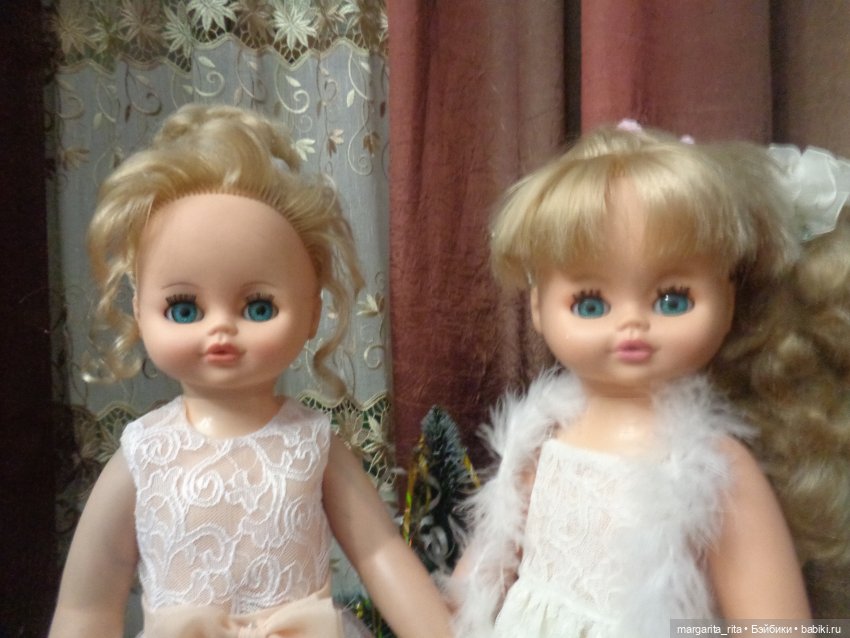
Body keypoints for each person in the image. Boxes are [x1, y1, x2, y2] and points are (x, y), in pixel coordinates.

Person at [49, 104, 453, 638]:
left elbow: (380, 554)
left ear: (312, 314)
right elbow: (86, 607)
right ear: (139, 311)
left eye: (258, 307)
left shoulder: (311, 444)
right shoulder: (144, 455)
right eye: (184, 309)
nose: (221, 329)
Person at [450, 121, 850, 636]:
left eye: (672, 299)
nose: (632, 324)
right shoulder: (540, 439)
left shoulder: (712, 470)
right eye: (590, 303)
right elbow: (473, 587)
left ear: (727, 300)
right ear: (537, 307)